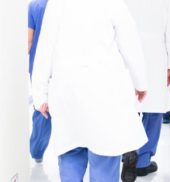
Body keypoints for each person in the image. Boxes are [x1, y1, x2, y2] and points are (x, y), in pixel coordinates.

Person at [31, 0, 148, 181]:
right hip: (104, 91)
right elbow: (130, 43)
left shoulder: (56, 4)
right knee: (105, 154)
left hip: (68, 91)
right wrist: (140, 83)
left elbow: (45, 47)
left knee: (70, 152)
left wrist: (39, 94)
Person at [123, 0, 170, 178]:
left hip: (126, 55)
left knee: (127, 108)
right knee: (153, 110)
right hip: (156, 56)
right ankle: (143, 160)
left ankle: (127, 150)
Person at [28, 0, 51, 163]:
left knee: (42, 109)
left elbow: (28, 41)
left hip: (38, 66)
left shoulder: (34, 5)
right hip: (63, 66)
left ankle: (37, 152)